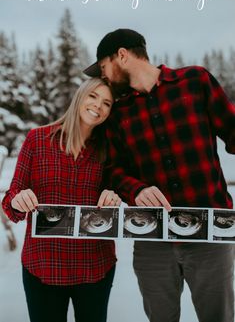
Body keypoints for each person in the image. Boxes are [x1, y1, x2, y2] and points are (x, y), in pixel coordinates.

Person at [84, 29, 235, 322]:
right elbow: (112, 170)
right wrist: (136, 189)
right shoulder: (117, 112)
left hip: (210, 233)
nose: (104, 77)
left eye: (103, 68)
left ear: (122, 56)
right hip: (153, 237)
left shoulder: (195, 81)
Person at [2, 78, 121, 322]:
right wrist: (18, 199)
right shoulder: (37, 140)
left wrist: (113, 197)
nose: (98, 106)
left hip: (95, 268)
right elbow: (11, 201)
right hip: (43, 266)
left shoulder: (109, 149)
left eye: (107, 103)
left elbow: (118, 192)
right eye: (93, 96)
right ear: (79, 97)